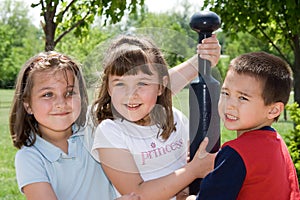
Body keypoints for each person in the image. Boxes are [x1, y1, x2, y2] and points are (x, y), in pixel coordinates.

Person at [9, 35, 221, 199]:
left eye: (69, 92)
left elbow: (150, 92)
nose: (60, 103)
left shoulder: (89, 126)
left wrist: (199, 61)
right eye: (47, 94)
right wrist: (192, 171)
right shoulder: (31, 158)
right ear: (27, 104)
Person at [90, 34, 217, 200]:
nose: (131, 94)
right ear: (108, 88)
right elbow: (137, 194)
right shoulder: (110, 131)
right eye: (120, 83)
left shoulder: (175, 118)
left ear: (161, 86)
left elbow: (187, 168)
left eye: (142, 83)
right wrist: (193, 170)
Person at [188, 52, 300, 200]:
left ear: (273, 110)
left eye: (243, 97)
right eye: (225, 93)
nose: (230, 105)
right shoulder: (277, 143)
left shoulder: (236, 153)